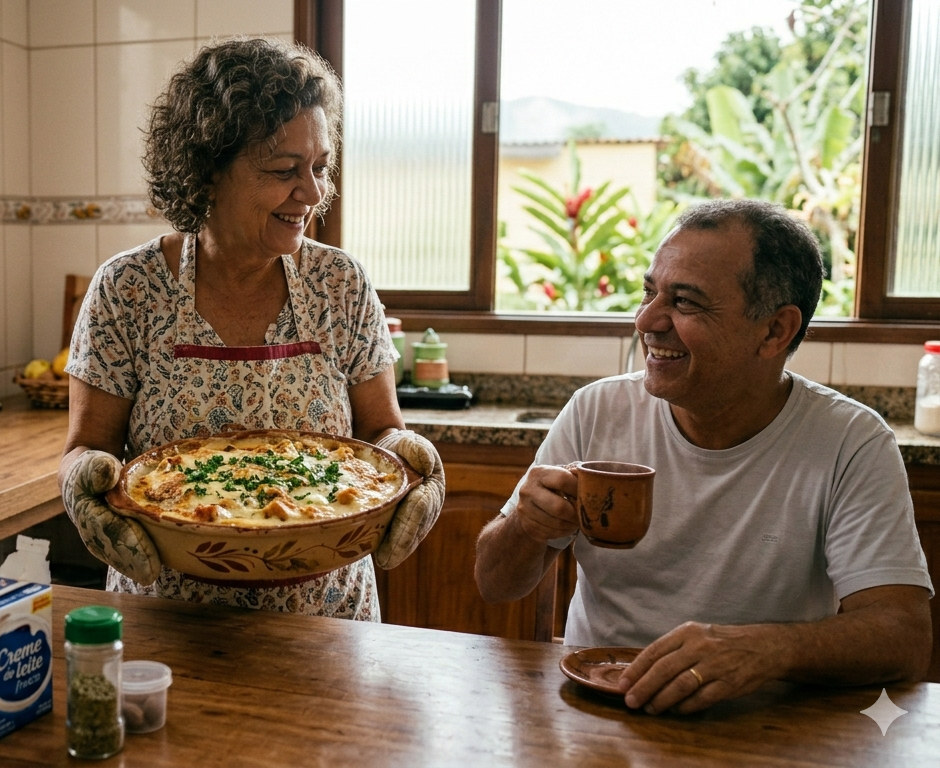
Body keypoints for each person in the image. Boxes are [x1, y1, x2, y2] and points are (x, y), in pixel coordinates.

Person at [476, 199, 933, 715]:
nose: (647, 320)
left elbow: (904, 636)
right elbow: (496, 585)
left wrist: (762, 650)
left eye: (686, 302)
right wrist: (525, 528)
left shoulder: (850, 440)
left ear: (775, 331)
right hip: (600, 705)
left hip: (761, 719)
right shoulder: (597, 409)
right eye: (650, 292)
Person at [58, 37, 446, 620]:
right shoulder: (126, 289)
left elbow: (381, 434)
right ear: (208, 170)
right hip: (170, 622)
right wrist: (80, 485)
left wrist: (410, 456)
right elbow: (88, 451)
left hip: (328, 622)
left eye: (318, 168)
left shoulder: (340, 284)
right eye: (284, 170)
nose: (312, 194)